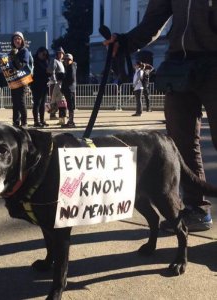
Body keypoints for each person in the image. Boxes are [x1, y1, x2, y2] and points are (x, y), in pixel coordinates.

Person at [104, 0, 217, 232]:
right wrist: (126, 42)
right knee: (180, 143)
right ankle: (197, 209)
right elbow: (152, 21)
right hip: (179, 64)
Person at [9, 31, 31, 128]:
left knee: (21, 101)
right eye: (15, 39)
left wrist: (15, 58)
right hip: (13, 79)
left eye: (19, 38)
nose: (17, 40)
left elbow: (22, 66)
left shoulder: (24, 51)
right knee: (15, 102)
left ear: (22, 40)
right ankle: (15, 122)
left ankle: (24, 122)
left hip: (22, 79)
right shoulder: (12, 52)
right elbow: (9, 67)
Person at [31, 46, 50, 127]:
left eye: (45, 54)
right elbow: (34, 73)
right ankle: (36, 121)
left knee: (43, 104)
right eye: (42, 54)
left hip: (44, 85)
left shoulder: (46, 62)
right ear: (38, 53)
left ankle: (42, 120)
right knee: (37, 103)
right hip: (36, 85)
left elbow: (47, 73)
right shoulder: (34, 62)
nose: (44, 55)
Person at [47, 47, 65, 120]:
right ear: (57, 54)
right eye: (59, 53)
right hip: (54, 83)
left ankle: (55, 113)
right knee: (53, 99)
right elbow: (52, 71)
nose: (60, 54)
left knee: (59, 99)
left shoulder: (62, 62)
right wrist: (55, 81)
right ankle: (52, 115)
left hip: (60, 82)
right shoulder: (54, 61)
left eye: (61, 53)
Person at [61, 53, 77, 128]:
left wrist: (64, 80)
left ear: (71, 60)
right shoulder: (70, 67)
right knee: (70, 106)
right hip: (70, 89)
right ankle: (71, 121)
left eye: (68, 60)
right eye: (65, 60)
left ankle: (71, 122)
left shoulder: (71, 67)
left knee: (71, 106)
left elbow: (71, 78)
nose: (66, 61)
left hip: (69, 89)